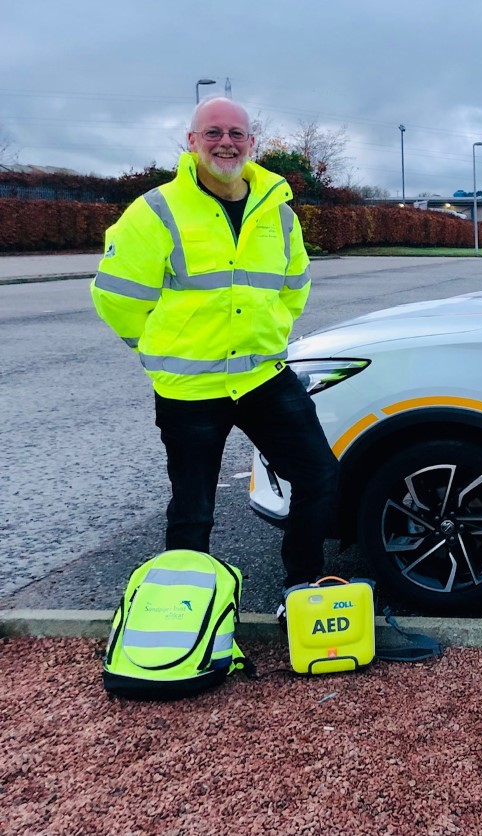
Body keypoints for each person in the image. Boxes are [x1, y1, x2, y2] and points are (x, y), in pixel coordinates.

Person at [90, 97, 338, 615]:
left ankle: (302, 585)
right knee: (193, 504)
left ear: (251, 143)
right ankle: (183, 612)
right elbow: (116, 296)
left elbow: (292, 290)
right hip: (191, 386)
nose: (225, 142)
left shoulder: (278, 212)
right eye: (213, 133)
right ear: (191, 141)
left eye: (236, 133)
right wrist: (157, 347)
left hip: (261, 378)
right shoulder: (156, 210)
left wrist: (264, 336)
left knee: (319, 476)